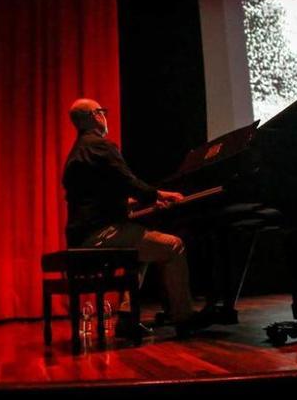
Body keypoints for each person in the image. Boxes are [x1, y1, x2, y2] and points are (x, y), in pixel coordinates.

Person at [61, 98, 212, 338]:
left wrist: (140, 200)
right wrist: (157, 194)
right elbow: (129, 182)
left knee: (142, 249)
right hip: (101, 234)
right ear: (95, 116)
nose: (105, 117)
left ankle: (127, 318)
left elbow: (97, 196)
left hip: (84, 236)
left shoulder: (78, 152)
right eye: (103, 112)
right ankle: (184, 318)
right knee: (173, 246)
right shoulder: (100, 146)